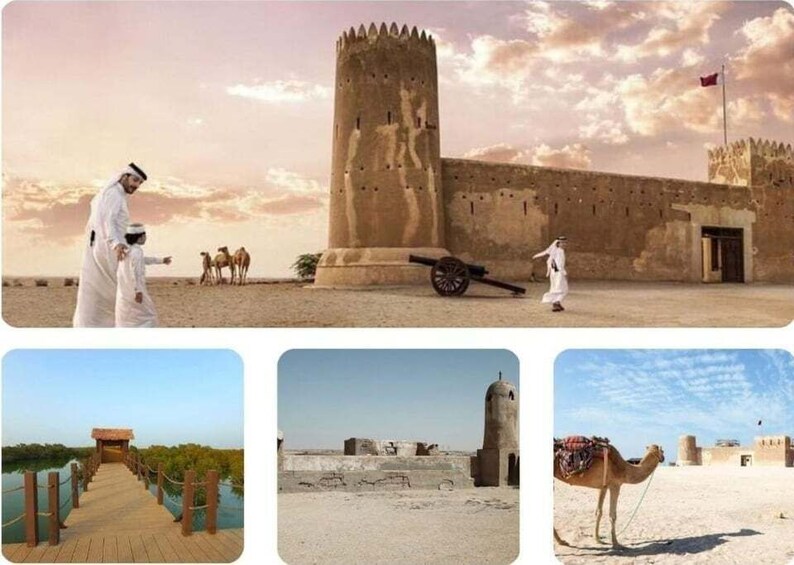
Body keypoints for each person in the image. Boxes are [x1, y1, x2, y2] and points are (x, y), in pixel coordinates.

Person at [72, 163, 147, 327]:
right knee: (118, 288)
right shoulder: (114, 194)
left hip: (105, 245)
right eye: (135, 180)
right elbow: (108, 221)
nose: (136, 185)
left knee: (101, 289)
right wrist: (116, 243)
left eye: (140, 183)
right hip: (110, 248)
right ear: (124, 176)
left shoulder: (115, 194)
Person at [115, 223, 172, 327]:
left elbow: (143, 261)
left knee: (130, 318)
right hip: (135, 291)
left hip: (124, 292)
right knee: (148, 316)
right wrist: (138, 291)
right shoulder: (135, 252)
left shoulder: (127, 250)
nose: (145, 238)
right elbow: (135, 272)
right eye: (144, 236)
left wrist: (161, 260)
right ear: (139, 237)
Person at [533, 236, 568, 312]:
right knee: (560, 288)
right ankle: (555, 303)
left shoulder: (560, 251)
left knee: (561, 288)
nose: (564, 244)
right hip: (558, 273)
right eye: (562, 243)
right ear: (558, 244)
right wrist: (560, 272)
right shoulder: (558, 251)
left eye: (565, 243)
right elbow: (556, 263)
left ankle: (557, 303)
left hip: (557, 272)